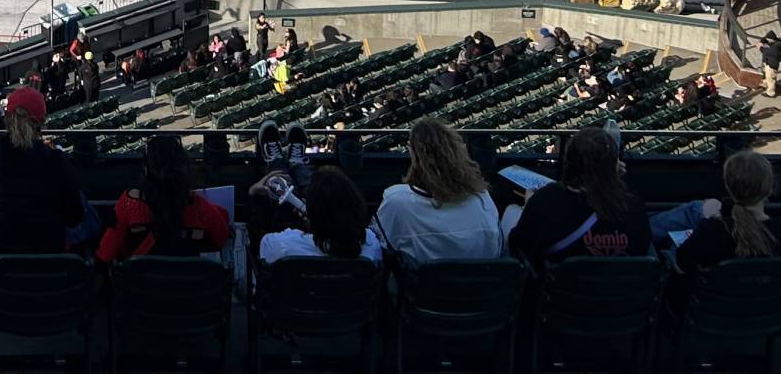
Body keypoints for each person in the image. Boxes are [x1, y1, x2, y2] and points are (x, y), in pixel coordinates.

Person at [0, 86, 95, 261]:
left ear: (8, 118)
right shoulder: (57, 160)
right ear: (41, 122)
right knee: (86, 209)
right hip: (51, 253)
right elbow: (74, 217)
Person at [504, 126, 652, 262]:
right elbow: (641, 249)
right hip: (622, 289)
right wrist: (611, 178)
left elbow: (518, 246)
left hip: (559, 289)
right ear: (615, 166)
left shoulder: (547, 199)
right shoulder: (633, 205)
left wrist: (530, 206)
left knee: (512, 211)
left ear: (569, 162)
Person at [372, 118, 502, 262]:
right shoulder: (481, 196)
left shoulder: (396, 199)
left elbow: (379, 244)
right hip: (480, 283)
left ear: (413, 151)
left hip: (421, 284)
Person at [662, 150, 781, 273]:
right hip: (778, 309)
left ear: (728, 187)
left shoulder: (712, 231)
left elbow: (681, 266)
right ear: (770, 188)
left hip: (720, 308)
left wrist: (708, 221)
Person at [96, 133, 232, 261]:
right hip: (187, 284)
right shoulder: (199, 207)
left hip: (140, 285)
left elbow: (106, 253)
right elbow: (222, 238)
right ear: (183, 169)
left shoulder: (129, 203)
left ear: (146, 169)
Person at [255, 165, 384, 264]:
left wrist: (253, 194)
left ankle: (283, 163)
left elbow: (260, 245)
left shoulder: (284, 244)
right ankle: (296, 163)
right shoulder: (371, 244)